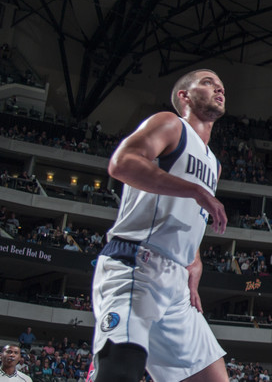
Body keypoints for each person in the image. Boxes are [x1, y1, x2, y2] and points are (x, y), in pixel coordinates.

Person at [90, 70, 231, 382]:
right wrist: (196, 191)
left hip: (176, 280)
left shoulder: (214, 163)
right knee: (120, 369)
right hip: (135, 263)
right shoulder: (170, 124)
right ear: (184, 96)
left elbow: (184, 215)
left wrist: (194, 262)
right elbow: (122, 163)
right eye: (207, 82)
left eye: (220, 86)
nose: (218, 88)